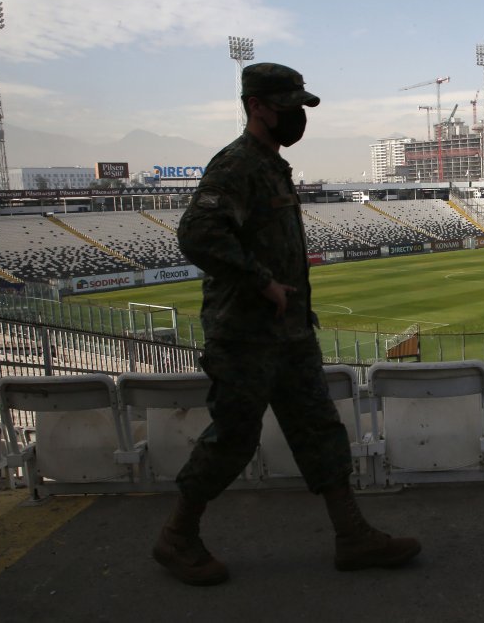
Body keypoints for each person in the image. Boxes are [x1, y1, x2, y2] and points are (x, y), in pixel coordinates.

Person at [153, 63, 421, 586]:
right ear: (257, 107)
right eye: (288, 106)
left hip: (289, 333)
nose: (297, 116)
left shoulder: (272, 166)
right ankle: (176, 536)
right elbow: (197, 234)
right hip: (246, 335)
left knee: (320, 430)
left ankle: (352, 536)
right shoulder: (235, 165)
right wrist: (262, 282)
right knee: (233, 437)